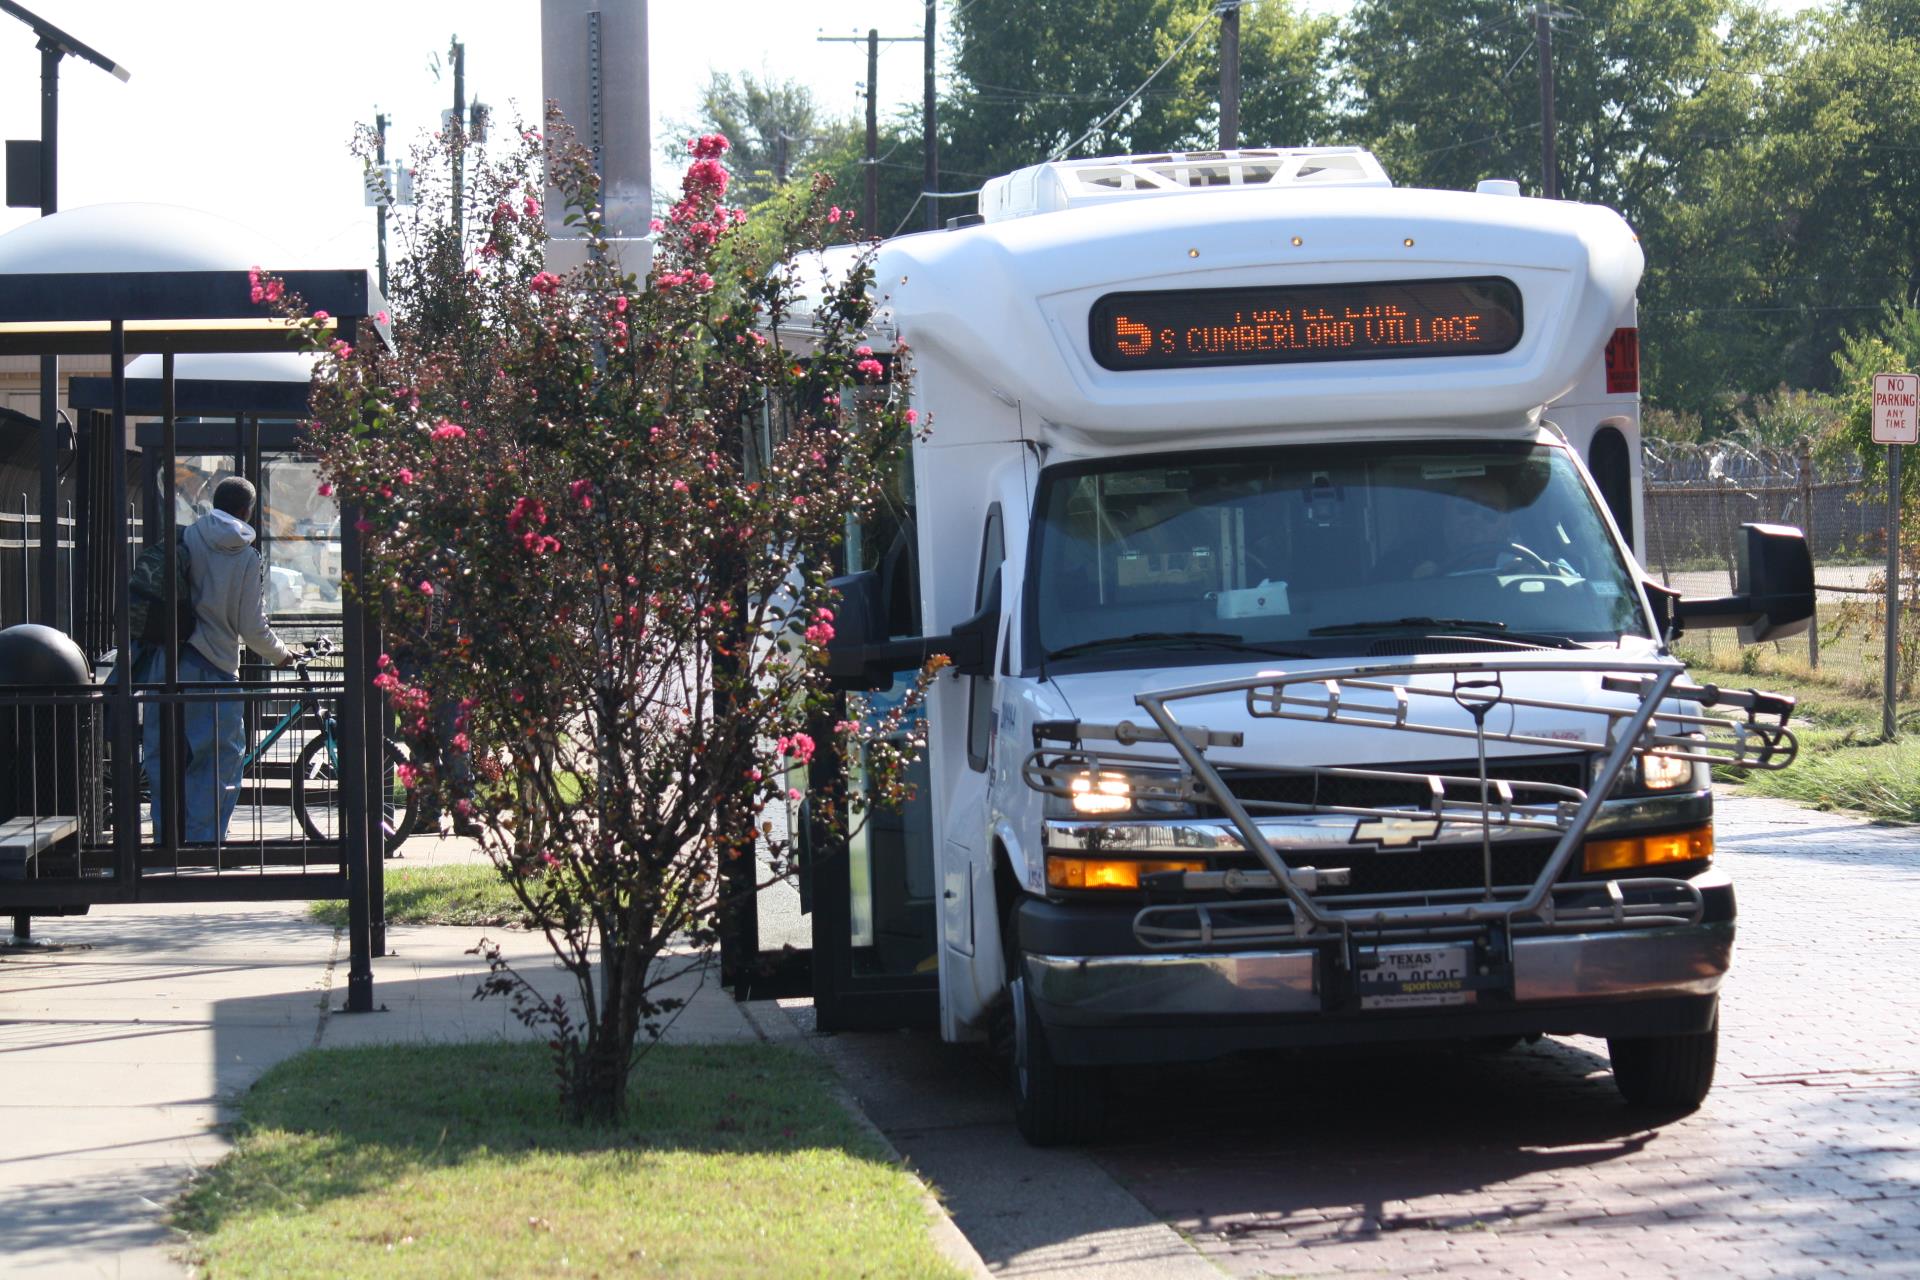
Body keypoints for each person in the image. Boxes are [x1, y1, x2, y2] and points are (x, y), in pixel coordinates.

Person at [142, 476, 296, 844]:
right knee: (217, 761)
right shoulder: (245, 556)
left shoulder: (185, 538)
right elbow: (252, 627)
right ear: (247, 511)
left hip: (167, 661)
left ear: (214, 504)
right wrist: (281, 655)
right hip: (214, 666)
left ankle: (167, 839)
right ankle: (203, 842)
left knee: (164, 756)